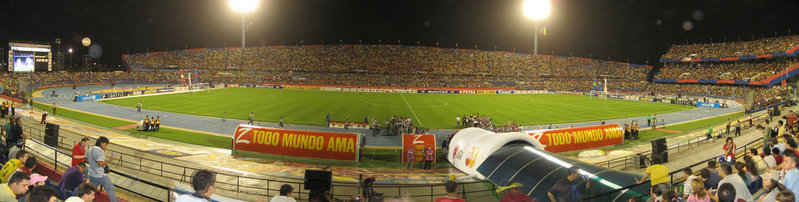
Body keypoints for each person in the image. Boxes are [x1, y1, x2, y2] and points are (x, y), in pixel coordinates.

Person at [87, 136, 118, 202]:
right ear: (102, 143)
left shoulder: (90, 149)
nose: (106, 146)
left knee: (91, 191)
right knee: (110, 189)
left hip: (91, 174)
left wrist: (93, 164)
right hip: (99, 175)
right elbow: (100, 164)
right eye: (106, 144)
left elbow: (86, 158)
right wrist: (110, 160)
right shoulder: (100, 151)